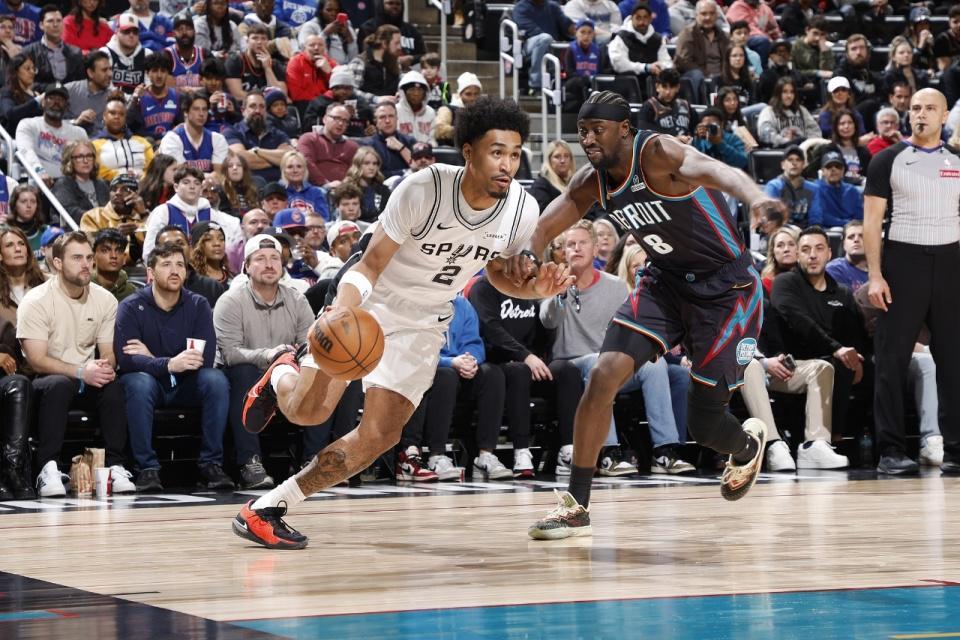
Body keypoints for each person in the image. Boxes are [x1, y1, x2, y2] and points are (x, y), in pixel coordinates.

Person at [230, 97, 567, 549]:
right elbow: (369, 265)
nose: (507, 164)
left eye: (514, 153)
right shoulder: (425, 189)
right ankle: (282, 374)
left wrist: (536, 290)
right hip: (370, 301)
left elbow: (497, 274)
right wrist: (343, 310)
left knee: (381, 435)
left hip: (425, 321)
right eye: (496, 152)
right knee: (309, 412)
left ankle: (269, 506)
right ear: (468, 152)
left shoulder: (521, 208)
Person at [521, 90, 787, 539]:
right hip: (665, 283)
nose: (588, 139)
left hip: (728, 292)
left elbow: (717, 170)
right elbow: (547, 222)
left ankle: (746, 446)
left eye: (598, 130)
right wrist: (529, 253)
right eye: (583, 131)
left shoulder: (658, 152)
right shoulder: (592, 180)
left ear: (625, 129)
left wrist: (756, 197)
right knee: (603, 374)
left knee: (704, 424)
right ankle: (575, 506)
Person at [864, 88, 960, 475]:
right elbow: (872, 223)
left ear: (944, 117)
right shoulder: (887, 159)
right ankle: (890, 450)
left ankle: (955, 449)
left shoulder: (957, 161)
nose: (921, 114)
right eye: (915, 108)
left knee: (953, 361)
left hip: (951, 263)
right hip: (903, 263)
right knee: (892, 359)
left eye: (930, 108)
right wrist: (875, 275)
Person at [17, 230, 136, 497]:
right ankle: (47, 468)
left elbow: (108, 352)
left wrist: (104, 368)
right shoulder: (36, 300)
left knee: (113, 385)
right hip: (45, 380)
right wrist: (81, 370)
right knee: (59, 384)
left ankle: (115, 466)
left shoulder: (105, 299)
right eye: (77, 258)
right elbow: (36, 360)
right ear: (57, 263)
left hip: (87, 377)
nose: (86, 264)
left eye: (89, 257)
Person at [115, 240, 233, 492]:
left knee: (215, 380)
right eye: (166, 264)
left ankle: (211, 464)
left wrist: (152, 358)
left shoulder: (198, 304)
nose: (175, 270)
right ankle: (146, 468)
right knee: (138, 382)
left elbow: (202, 358)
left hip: (186, 383)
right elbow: (127, 360)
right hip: (149, 384)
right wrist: (169, 363)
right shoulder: (131, 306)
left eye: (180, 265)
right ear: (150, 272)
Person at [215, 233, 317, 491]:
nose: (269, 264)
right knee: (243, 371)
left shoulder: (297, 299)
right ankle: (250, 463)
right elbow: (230, 353)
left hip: (288, 375)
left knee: (319, 370)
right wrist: (269, 355)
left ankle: (313, 461)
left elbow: (309, 346)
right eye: (260, 259)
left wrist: (292, 360)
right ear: (246, 266)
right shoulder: (231, 301)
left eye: (275, 258)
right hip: (249, 378)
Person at [770, 226, 869, 451]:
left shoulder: (843, 292)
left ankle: (879, 447)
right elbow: (800, 322)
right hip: (796, 363)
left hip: (836, 359)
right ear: (797, 254)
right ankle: (832, 439)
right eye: (806, 249)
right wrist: (837, 348)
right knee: (837, 365)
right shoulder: (785, 283)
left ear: (829, 253)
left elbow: (855, 333)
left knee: (876, 370)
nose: (813, 255)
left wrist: (859, 357)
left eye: (819, 248)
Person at [0, 225, 43, 499]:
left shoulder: (47, 286)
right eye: (9, 245)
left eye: (21, 244)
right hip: (11, 371)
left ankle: (14, 471)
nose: (17, 248)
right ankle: (14, 470)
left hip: (40, 365)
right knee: (18, 384)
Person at [143, 164, 241, 257]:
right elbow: (149, 251)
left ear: (201, 188)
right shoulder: (163, 212)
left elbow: (224, 245)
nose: (192, 187)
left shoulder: (211, 213)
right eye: (186, 182)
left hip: (204, 266)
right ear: (176, 187)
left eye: (197, 183)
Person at [14, 84, 86, 189]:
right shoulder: (28, 124)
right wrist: (39, 171)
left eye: (61, 99)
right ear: (43, 102)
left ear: (67, 106)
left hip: (71, 185)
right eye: (51, 98)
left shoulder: (79, 133)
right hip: (38, 183)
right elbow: (26, 151)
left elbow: (86, 160)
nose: (56, 102)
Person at [223, 91, 294, 184]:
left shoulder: (277, 134)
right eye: (253, 106)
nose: (257, 111)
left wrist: (257, 151)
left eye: (262, 106)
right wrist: (276, 161)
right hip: (248, 186)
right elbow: (241, 160)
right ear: (243, 111)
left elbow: (290, 158)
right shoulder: (232, 132)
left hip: (280, 186)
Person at [80, 173, 146, 265]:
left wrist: (143, 214)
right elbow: (89, 249)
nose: (117, 193)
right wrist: (114, 235)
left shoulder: (144, 218)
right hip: (104, 269)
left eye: (125, 189)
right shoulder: (93, 216)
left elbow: (154, 247)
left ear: (135, 194)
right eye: (114, 189)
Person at [154, 224, 226, 308]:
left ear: (190, 249)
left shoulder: (213, 288)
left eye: (180, 243)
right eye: (168, 245)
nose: (175, 249)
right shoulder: (148, 291)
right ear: (156, 253)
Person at [158, 91, 230, 175]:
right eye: (196, 109)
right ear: (186, 112)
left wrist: (213, 177)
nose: (201, 114)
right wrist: (209, 177)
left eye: (204, 109)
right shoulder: (171, 139)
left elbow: (220, 175)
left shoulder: (217, 139)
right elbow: (179, 175)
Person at [673, 0, 729, 105]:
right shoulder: (688, 33)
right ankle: (698, 107)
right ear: (696, 15)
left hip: (720, 77)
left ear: (717, 15)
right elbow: (683, 61)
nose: (708, 17)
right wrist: (707, 74)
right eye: (704, 14)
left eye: (712, 13)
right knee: (696, 74)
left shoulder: (723, 36)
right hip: (698, 76)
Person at [513, 0, 575, 94]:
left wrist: (580, 32)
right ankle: (536, 84)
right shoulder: (520, 7)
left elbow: (567, 25)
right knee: (545, 39)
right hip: (528, 45)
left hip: (552, 44)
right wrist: (552, 42)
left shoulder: (553, 6)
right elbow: (531, 30)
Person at [93, 94, 154, 181]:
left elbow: (153, 170)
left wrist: (140, 176)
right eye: (112, 113)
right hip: (109, 187)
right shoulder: (93, 145)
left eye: (121, 114)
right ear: (104, 116)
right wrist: (122, 176)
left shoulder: (143, 142)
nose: (117, 117)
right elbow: (96, 172)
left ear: (125, 118)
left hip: (142, 186)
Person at [609, 3, 671, 83]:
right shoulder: (620, 38)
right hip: (627, 83)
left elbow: (667, 62)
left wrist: (661, 66)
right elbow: (619, 64)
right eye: (638, 18)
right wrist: (645, 67)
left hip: (654, 83)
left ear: (650, 19)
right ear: (631, 18)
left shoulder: (658, 39)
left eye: (645, 17)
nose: (642, 22)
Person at [22, 6, 84, 86]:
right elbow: (25, 82)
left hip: (70, 93)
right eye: (50, 21)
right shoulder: (29, 52)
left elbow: (81, 83)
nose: (55, 25)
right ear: (41, 25)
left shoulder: (75, 52)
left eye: (59, 21)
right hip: (41, 93)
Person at [52, 140, 110, 225]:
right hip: (77, 230)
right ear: (70, 160)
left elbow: (109, 209)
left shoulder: (101, 184)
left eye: (89, 156)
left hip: (103, 228)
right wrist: (100, 218)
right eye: (79, 157)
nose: (85, 161)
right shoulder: (63, 184)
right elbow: (71, 212)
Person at [357, 0, 426, 71]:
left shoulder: (412, 31)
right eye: (390, 3)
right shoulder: (368, 28)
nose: (394, 6)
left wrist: (412, 59)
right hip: (376, 73)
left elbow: (424, 55)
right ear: (381, 5)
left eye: (398, 4)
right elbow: (366, 54)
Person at [224, 24, 286, 101]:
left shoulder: (274, 64)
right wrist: (263, 101)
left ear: (268, 42)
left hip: (269, 106)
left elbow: (281, 95)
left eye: (263, 38)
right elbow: (237, 95)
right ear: (247, 41)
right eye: (255, 38)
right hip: (244, 105)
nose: (259, 42)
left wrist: (267, 68)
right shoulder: (235, 61)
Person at [127, 52, 180, 141]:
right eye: (155, 71)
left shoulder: (177, 96)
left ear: (168, 73)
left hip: (170, 144)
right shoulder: (139, 97)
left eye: (163, 71)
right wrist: (134, 100)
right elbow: (127, 123)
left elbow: (182, 126)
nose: (159, 75)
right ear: (147, 73)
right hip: (145, 144)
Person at [757, 77, 820, 148]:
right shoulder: (768, 111)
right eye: (785, 92)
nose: (789, 96)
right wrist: (786, 141)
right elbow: (765, 135)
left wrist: (806, 142)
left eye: (792, 92)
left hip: (803, 149)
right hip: (780, 151)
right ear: (778, 94)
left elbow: (815, 131)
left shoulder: (802, 110)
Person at [637, 68, 697, 142]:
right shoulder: (649, 107)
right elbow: (643, 136)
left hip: (687, 147)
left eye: (672, 87)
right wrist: (674, 139)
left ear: (678, 87)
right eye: (664, 87)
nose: (668, 92)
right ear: (657, 87)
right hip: (662, 148)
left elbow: (696, 127)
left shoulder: (685, 105)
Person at [763, 145, 815, 229]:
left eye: (798, 160)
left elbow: (815, 219)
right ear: (783, 165)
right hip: (779, 230)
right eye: (790, 160)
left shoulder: (813, 189)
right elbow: (771, 218)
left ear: (803, 164)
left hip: (805, 232)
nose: (794, 163)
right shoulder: (774, 186)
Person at [808, 150, 863, 228]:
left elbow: (859, 217)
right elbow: (822, 217)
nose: (833, 169)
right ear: (823, 171)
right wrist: (847, 223)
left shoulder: (852, 191)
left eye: (837, 166)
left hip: (851, 229)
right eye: (829, 166)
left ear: (843, 170)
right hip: (826, 229)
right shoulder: (815, 188)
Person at [297, 0, 358, 66]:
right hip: (319, 67)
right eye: (329, 10)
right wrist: (325, 33)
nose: (333, 13)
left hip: (345, 68)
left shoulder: (345, 26)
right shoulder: (310, 26)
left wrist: (349, 36)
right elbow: (305, 50)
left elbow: (354, 57)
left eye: (337, 10)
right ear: (321, 10)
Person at [101, 13, 146, 95]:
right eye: (126, 31)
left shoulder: (147, 54)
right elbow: (105, 87)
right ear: (116, 31)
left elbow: (149, 87)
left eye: (135, 32)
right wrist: (130, 98)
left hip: (140, 101)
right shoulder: (105, 53)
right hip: (111, 100)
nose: (131, 35)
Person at [344, 146, 392, 223]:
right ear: (358, 165)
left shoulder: (384, 190)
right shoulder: (348, 189)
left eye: (375, 164)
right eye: (366, 163)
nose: (371, 167)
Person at [824, 108, 871, 185]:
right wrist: (860, 181)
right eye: (842, 124)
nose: (846, 126)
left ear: (855, 126)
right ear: (836, 128)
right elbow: (833, 175)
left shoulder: (863, 151)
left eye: (850, 123)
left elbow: (870, 173)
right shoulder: (830, 149)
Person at [434, 72, 481, 146]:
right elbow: (439, 129)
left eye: (476, 94)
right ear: (460, 94)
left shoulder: (481, 111)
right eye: (468, 94)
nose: (473, 98)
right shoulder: (447, 109)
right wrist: (464, 131)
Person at [353, 24, 401, 97]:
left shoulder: (395, 63)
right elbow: (353, 91)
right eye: (396, 43)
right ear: (384, 43)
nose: (399, 47)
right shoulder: (360, 62)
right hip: (368, 103)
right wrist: (375, 99)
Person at [529, 140, 576, 214]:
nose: (563, 160)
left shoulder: (576, 183)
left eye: (566, 156)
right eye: (557, 157)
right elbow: (543, 215)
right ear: (549, 160)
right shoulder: (541, 185)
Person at [164, 13, 208, 92]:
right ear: (173, 33)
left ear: (194, 32)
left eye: (188, 28)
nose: (184, 32)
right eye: (180, 29)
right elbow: (167, 88)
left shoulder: (205, 54)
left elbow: (212, 84)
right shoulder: (166, 55)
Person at [90, 228, 137, 301]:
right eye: (105, 250)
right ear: (93, 258)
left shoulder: (133, 294)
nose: (113, 256)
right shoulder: (82, 290)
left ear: (124, 258)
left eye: (119, 251)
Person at [0, 53, 41, 134]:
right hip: (13, 137)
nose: (32, 72)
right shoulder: (7, 92)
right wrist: (37, 101)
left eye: (33, 68)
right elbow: (10, 114)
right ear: (16, 71)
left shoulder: (36, 94)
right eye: (27, 69)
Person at [395, 70, 435, 145]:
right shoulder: (395, 111)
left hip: (426, 151)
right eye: (412, 90)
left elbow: (433, 140)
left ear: (425, 93)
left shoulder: (430, 112)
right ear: (404, 92)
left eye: (420, 90)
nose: (416, 93)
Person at [217, 152, 260, 217]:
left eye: (239, 165)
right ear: (225, 171)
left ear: (244, 169)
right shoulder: (220, 191)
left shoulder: (254, 188)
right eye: (230, 166)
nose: (235, 168)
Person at [190, 220, 232, 285]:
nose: (217, 243)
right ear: (197, 245)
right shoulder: (191, 279)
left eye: (221, 239)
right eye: (209, 239)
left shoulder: (233, 278)